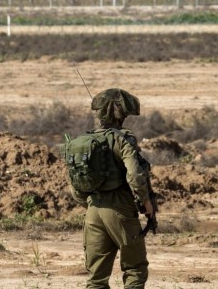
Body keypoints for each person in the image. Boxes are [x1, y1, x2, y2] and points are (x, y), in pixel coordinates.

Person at [69, 88, 153, 289]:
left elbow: (75, 185)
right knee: (135, 269)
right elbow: (134, 174)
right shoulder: (121, 139)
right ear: (122, 114)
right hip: (119, 209)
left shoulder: (83, 142)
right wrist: (145, 202)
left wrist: (91, 203)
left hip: (93, 210)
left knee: (96, 279)